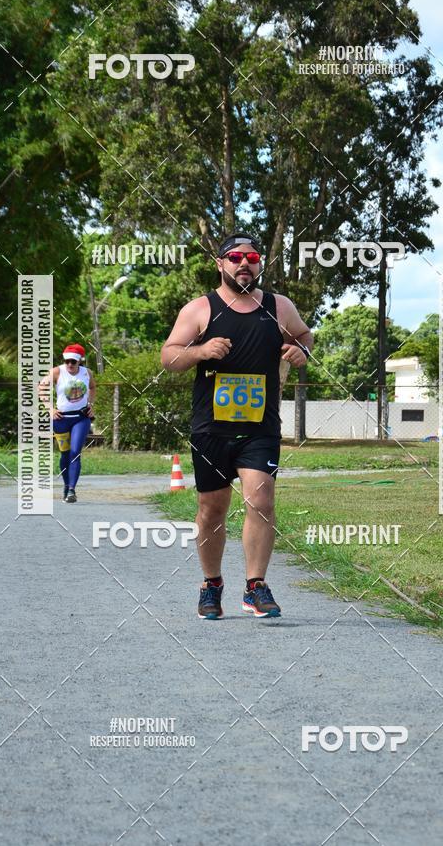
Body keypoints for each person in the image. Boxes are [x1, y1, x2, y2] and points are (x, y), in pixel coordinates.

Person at [161, 231, 313, 619]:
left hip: (260, 426)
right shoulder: (200, 308)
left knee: (261, 501)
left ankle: (255, 586)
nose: (244, 263)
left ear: (260, 264)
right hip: (211, 427)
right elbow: (169, 357)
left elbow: (304, 337)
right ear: (220, 263)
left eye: (252, 257)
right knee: (212, 508)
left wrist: (300, 351)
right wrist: (200, 351)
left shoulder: (279, 307)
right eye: (234, 257)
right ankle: (211, 585)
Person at [39, 344, 95, 503]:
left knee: (75, 452)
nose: (70, 364)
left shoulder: (86, 373)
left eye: (73, 361)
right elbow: (41, 388)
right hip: (61, 419)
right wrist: (50, 409)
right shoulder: (56, 372)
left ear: (80, 361)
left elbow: (92, 388)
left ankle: (72, 490)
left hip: (80, 418)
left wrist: (90, 405)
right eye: (67, 361)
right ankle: (66, 485)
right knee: (65, 453)